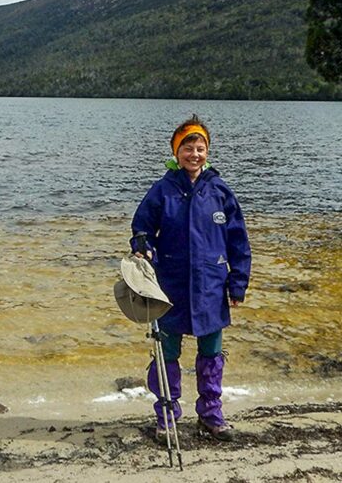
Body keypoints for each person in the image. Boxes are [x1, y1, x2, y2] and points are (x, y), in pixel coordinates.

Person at [130, 115, 251, 442]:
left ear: (207, 152)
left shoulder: (220, 191)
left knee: (211, 352)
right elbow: (142, 228)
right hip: (169, 287)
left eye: (200, 148)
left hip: (212, 286)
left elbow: (238, 241)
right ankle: (167, 415)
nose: (194, 154)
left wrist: (238, 283)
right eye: (187, 147)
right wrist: (143, 246)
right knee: (166, 351)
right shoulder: (162, 189)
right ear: (176, 151)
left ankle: (211, 414)